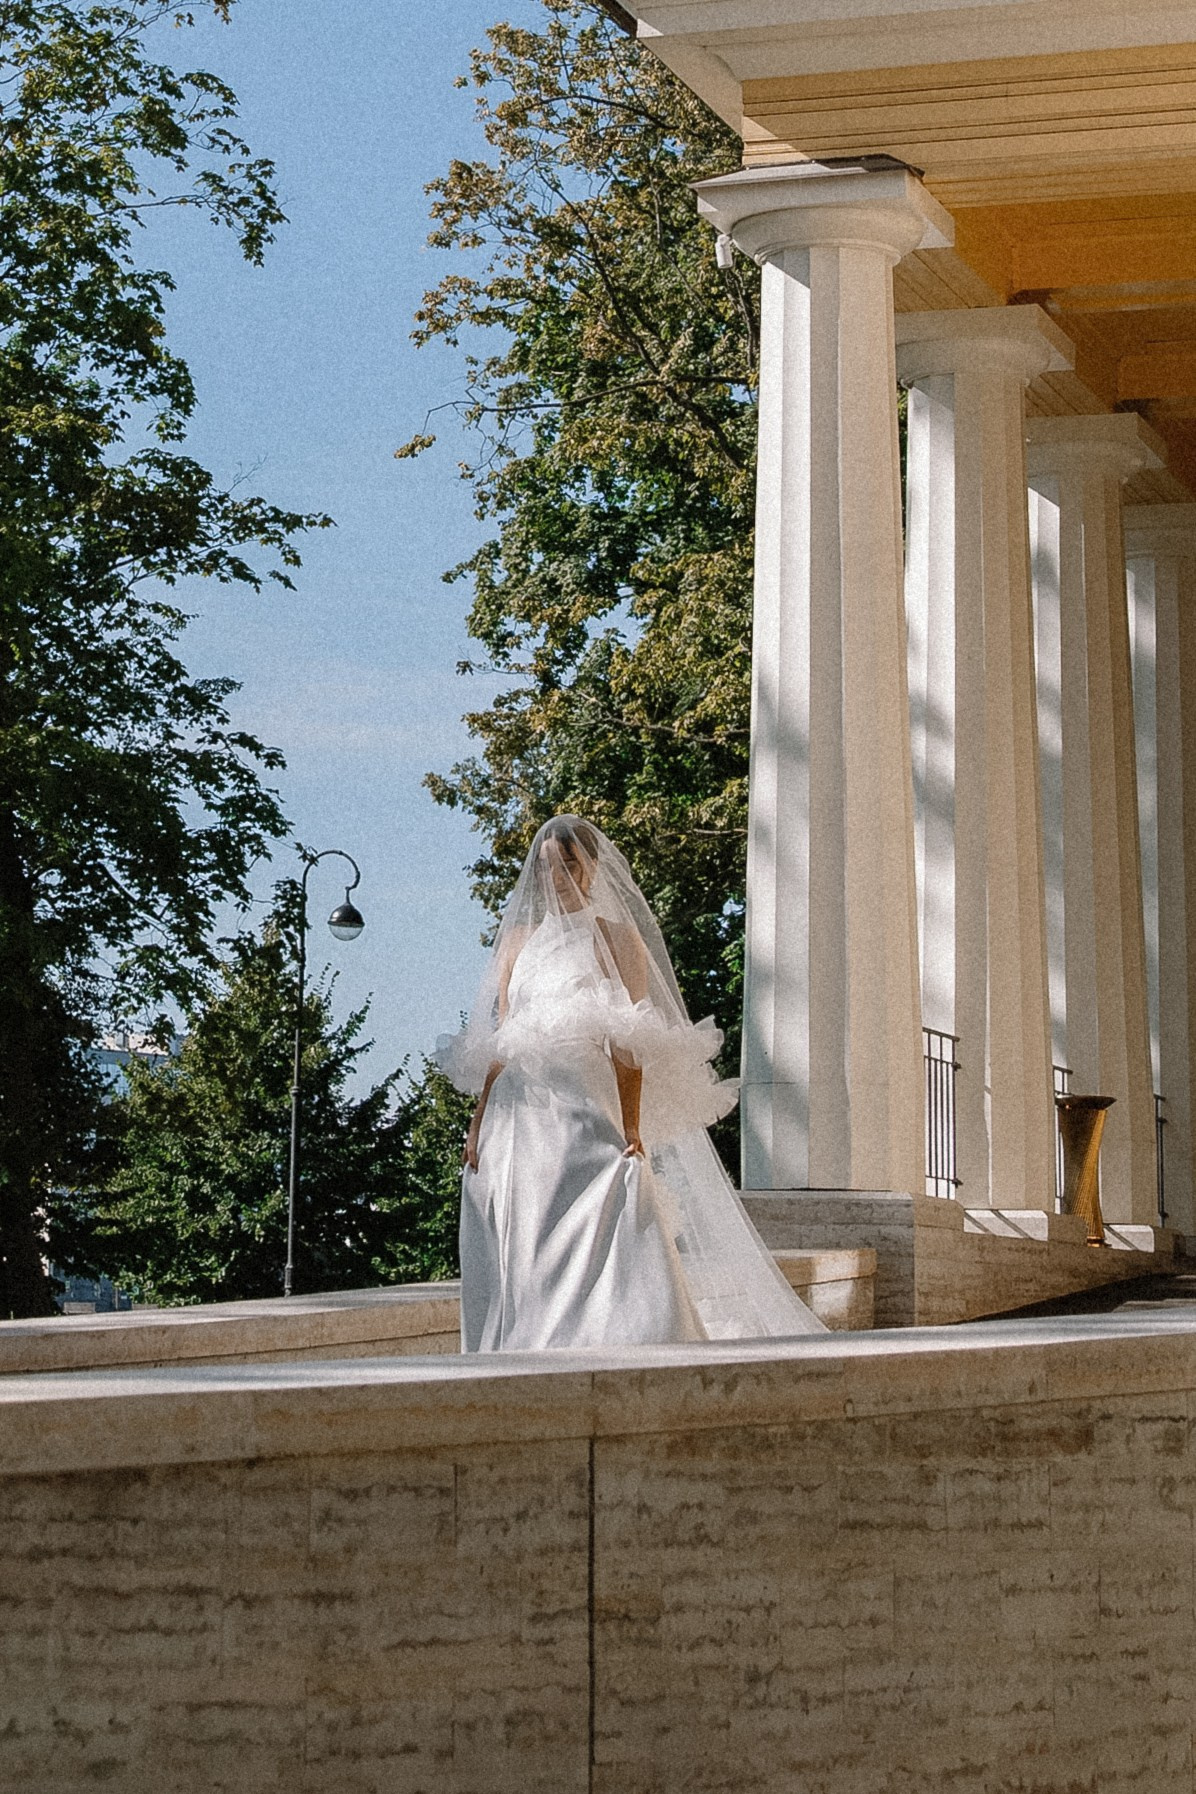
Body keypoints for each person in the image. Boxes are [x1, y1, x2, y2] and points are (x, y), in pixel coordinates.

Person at [436, 815, 826, 1351]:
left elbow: (629, 1039)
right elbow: (504, 1043)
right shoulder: (519, 943)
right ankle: (528, 1340)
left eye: (569, 863)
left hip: (583, 1105)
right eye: (548, 865)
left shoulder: (617, 938)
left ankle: (609, 1335)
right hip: (519, 1112)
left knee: (594, 1215)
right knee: (527, 1230)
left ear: (592, 868)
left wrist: (632, 1123)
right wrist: (477, 1125)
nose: (557, 875)